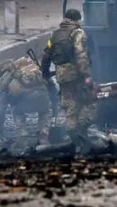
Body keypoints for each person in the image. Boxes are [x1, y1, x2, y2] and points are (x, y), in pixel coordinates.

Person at [41, 9, 95, 153]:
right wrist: (86, 75)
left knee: (69, 104)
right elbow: (80, 54)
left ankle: (72, 131)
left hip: (61, 75)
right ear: (77, 19)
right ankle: (81, 132)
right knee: (88, 102)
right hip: (76, 73)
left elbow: (46, 54)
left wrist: (45, 73)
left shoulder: (54, 34)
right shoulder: (77, 33)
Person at [0, 56, 51, 145]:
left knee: (16, 110)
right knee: (45, 111)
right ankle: (43, 133)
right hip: (42, 99)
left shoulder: (9, 73)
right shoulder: (34, 68)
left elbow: (2, 88)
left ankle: (23, 136)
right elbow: (48, 84)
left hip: (25, 101)